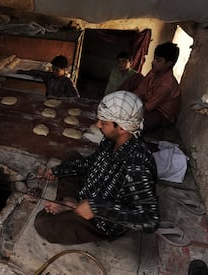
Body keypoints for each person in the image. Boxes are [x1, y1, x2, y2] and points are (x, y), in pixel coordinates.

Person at [34, 90, 159, 245]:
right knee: (71, 157)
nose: (98, 124)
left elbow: (149, 220)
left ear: (122, 128)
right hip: (90, 194)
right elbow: (90, 163)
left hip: (101, 219)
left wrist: (97, 208)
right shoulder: (110, 141)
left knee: (42, 223)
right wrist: (57, 171)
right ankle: (70, 202)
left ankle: (73, 210)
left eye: (104, 122)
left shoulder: (138, 164)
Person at [133, 42, 180, 133]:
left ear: (168, 64)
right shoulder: (153, 72)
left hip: (161, 113)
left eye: (158, 60)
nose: (153, 62)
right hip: (148, 103)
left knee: (138, 123)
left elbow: (148, 107)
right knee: (135, 78)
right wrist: (127, 100)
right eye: (154, 58)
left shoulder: (167, 85)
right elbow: (140, 90)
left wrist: (129, 110)